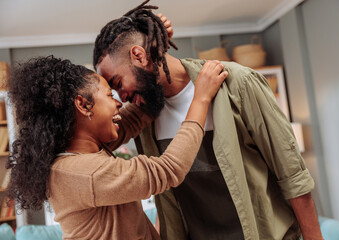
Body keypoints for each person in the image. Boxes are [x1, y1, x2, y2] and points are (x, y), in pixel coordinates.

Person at [92, 1, 325, 240]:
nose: (122, 97)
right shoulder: (145, 114)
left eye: (119, 83)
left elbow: (292, 174)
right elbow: (89, 145)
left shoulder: (238, 83)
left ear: (139, 55)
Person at [6, 55, 227, 239]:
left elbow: (137, 115)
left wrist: (153, 56)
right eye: (110, 95)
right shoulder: (84, 172)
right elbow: (169, 169)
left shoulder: (80, 153)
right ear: (83, 105)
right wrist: (201, 99)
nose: (119, 102)